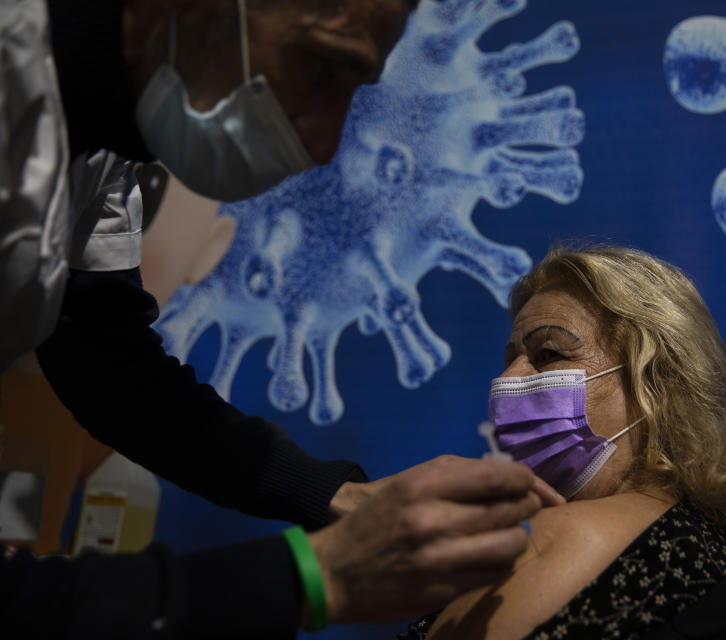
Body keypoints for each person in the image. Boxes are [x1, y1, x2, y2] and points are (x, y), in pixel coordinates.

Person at [0, 0, 561, 637]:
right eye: (320, 70)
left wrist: (326, 494)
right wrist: (313, 577)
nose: (322, 147)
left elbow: (102, 355)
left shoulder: (101, 151)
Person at [401, 246, 726, 639]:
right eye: (509, 361)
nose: (508, 382)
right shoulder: (702, 544)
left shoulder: (554, 544)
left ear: (655, 383)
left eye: (549, 353)